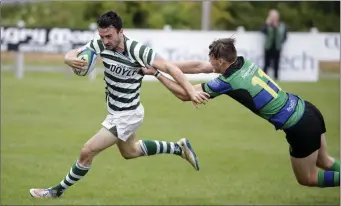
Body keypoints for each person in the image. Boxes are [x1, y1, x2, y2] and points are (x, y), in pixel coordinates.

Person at [29, 10, 208, 198]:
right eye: (102, 36)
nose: (105, 41)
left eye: (109, 36)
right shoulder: (100, 44)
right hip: (117, 112)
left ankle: (56, 191)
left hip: (127, 115)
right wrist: (68, 58)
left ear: (121, 32)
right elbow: (76, 52)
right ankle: (178, 148)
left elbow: (170, 67)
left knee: (87, 151)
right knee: (130, 151)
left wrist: (190, 92)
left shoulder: (138, 51)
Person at [142, 37, 340, 188]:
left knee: (308, 178)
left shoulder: (228, 82)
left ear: (220, 61)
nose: (209, 64)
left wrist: (158, 74)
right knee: (325, 161)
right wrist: (164, 64)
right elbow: (199, 66)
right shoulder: (243, 63)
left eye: (212, 61)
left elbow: (186, 95)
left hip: (299, 127)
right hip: (308, 109)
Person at [260, 9, 287, 80]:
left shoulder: (282, 25)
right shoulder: (268, 25)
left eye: (275, 16)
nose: (274, 18)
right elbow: (262, 31)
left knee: (276, 64)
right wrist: (267, 23)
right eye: (272, 16)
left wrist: (281, 42)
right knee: (266, 63)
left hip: (277, 47)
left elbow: (285, 36)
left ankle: (276, 77)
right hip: (268, 47)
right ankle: (264, 78)